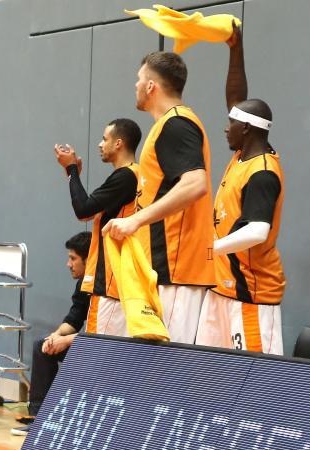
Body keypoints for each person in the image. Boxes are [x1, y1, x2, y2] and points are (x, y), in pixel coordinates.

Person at [103, 51, 215, 344]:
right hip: (160, 272)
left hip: (175, 272)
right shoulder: (167, 125)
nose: (136, 85)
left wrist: (135, 220)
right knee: (148, 365)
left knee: (168, 367)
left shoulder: (176, 124)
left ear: (151, 86)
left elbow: (195, 183)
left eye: (139, 79)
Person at [196, 23, 285, 354]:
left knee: (255, 378)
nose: (226, 127)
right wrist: (235, 49)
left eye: (231, 123)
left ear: (246, 129)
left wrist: (210, 248)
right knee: (210, 374)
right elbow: (236, 99)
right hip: (223, 287)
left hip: (251, 293)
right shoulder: (242, 155)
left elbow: (258, 230)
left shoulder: (263, 172)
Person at [54, 119, 141, 336]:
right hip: (119, 283)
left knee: (98, 353)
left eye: (105, 139)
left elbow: (82, 210)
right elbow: (88, 211)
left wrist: (71, 168)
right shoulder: (134, 175)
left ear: (118, 143)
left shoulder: (126, 176)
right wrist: (73, 175)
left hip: (111, 282)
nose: (100, 144)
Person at [11, 232, 91, 436]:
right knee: (43, 346)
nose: (68, 264)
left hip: (106, 349)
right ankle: (38, 417)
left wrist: (66, 341)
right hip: (85, 342)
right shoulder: (83, 284)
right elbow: (73, 320)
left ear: (89, 259)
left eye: (73, 258)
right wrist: (55, 337)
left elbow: (100, 333)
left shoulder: (108, 285)